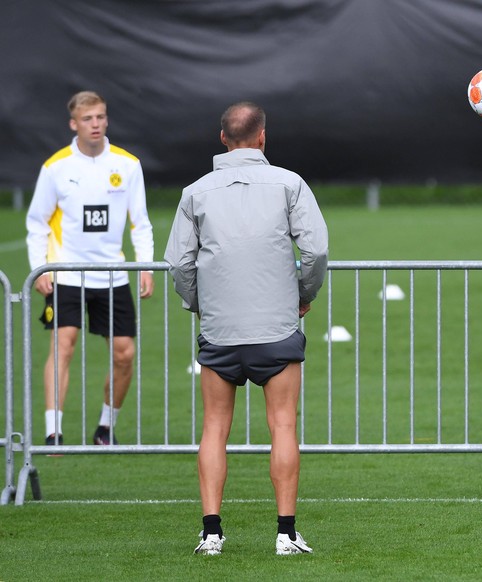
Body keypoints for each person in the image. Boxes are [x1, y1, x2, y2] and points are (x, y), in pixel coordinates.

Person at [165, 101, 329, 556]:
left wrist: (201, 305)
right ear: (262, 137)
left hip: (220, 332)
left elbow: (178, 263)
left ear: (222, 139)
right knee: (282, 426)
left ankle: (211, 533)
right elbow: (315, 251)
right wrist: (304, 295)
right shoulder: (289, 183)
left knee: (214, 427)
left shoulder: (195, 191)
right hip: (277, 329)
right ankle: (286, 534)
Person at [25, 90, 155, 447]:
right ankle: (53, 433)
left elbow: (140, 223)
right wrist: (41, 268)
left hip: (113, 275)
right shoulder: (56, 167)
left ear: (106, 119)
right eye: (87, 119)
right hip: (66, 272)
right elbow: (36, 223)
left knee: (124, 353)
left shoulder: (128, 165)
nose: (95, 124)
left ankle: (105, 428)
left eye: (100, 117)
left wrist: (145, 265)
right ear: (74, 124)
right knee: (63, 345)